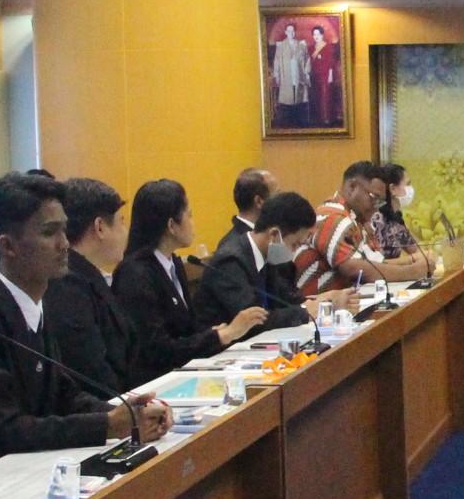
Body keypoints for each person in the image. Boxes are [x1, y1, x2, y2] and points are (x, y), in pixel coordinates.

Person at [0, 173, 173, 497]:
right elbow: (2, 430)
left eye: (64, 229)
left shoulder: (36, 306)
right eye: (49, 232)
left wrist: (125, 412)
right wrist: (107, 425)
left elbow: (64, 395)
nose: (64, 243)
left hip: (14, 477)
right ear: (8, 246)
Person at [112, 179, 265, 382]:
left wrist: (211, 333)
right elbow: (155, 350)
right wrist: (222, 335)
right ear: (171, 225)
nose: (193, 223)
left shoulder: (173, 263)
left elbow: (187, 330)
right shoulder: (135, 275)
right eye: (189, 215)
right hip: (154, 383)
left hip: (184, 372)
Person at [49, 178, 137, 395]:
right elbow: (92, 373)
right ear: (100, 227)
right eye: (121, 222)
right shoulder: (68, 286)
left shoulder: (87, 276)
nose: (126, 232)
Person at [295, 161, 430, 295]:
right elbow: (355, 268)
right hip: (316, 304)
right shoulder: (332, 216)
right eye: (374, 198)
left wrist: (412, 261)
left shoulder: (356, 219)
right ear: (352, 187)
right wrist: (413, 271)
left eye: (380, 202)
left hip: (343, 301)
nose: (376, 207)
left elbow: (374, 263)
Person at [199, 191, 316, 333]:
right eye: (295, 244)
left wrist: (317, 302)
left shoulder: (267, 256)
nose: (295, 251)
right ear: (274, 235)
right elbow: (253, 321)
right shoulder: (230, 261)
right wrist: (304, 312)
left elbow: (284, 300)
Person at [369, 163, 433, 273]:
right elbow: (374, 264)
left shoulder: (396, 218)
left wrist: (427, 255)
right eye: (407, 184)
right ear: (393, 189)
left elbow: (416, 251)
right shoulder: (376, 220)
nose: (411, 189)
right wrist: (411, 259)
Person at [272, 23, 310, 127]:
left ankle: (299, 123)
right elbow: (276, 61)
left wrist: (306, 73)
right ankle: (288, 125)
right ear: (286, 32)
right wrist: (277, 75)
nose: (291, 33)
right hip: (286, 76)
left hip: (298, 75)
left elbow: (307, 59)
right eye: (289, 31)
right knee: (287, 101)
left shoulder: (301, 45)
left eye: (293, 31)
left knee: (299, 100)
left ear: (294, 32)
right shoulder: (281, 46)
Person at [308, 22, 341, 127]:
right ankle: (318, 119)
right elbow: (309, 62)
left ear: (322, 35)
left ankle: (326, 118)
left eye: (318, 34)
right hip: (314, 75)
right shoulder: (311, 48)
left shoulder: (328, 46)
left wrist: (330, 75)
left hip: (325, 75)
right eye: (314, 34)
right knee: (316, 97)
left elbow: (331, 62)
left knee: (325, 97)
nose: (316, 36)